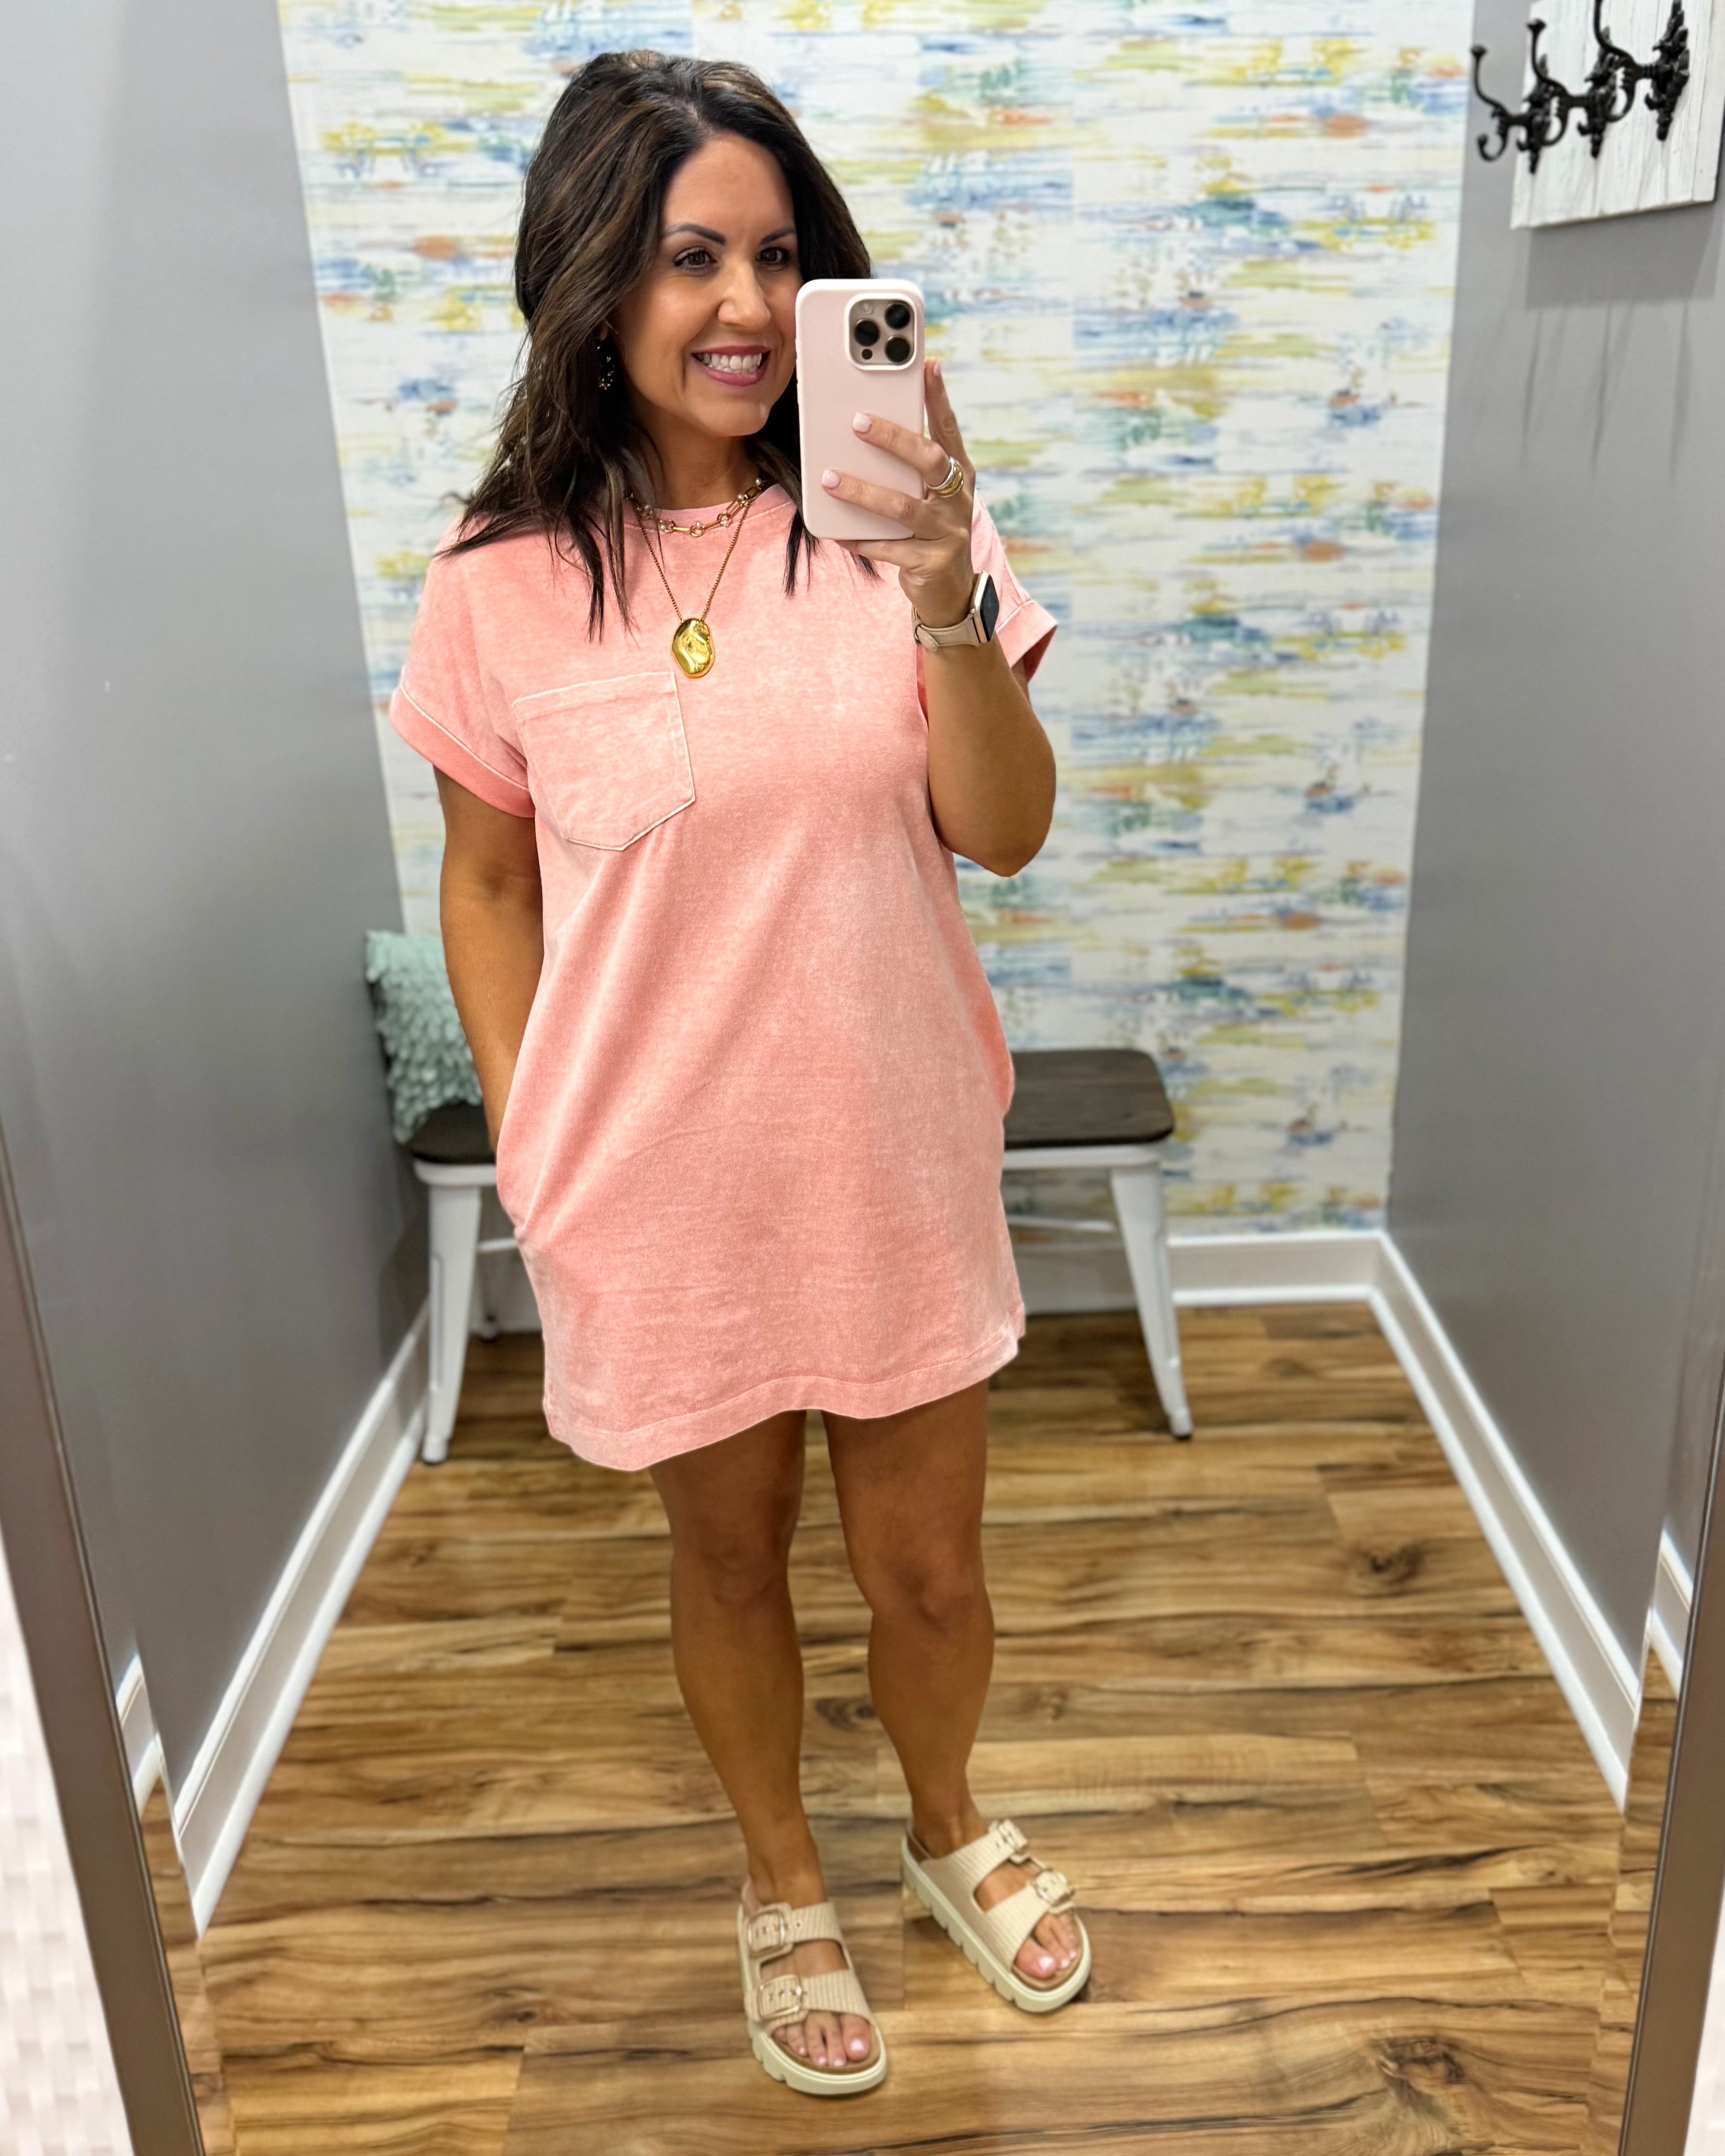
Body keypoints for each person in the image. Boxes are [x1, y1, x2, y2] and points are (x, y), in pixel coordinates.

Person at [388, 47, 1090, 2097]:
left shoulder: (897, 525)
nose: (747, 307)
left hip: (888, 1146)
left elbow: (1005, 829)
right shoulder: (500, 581)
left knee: (929, 1570)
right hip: (658, 1181)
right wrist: (537, 1138)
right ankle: (782, 1876)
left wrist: (947, 600)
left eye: (782, 259)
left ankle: (944, 1821)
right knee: (724, 1556)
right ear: (591, 274)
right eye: (690, 255)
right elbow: (488, 883)